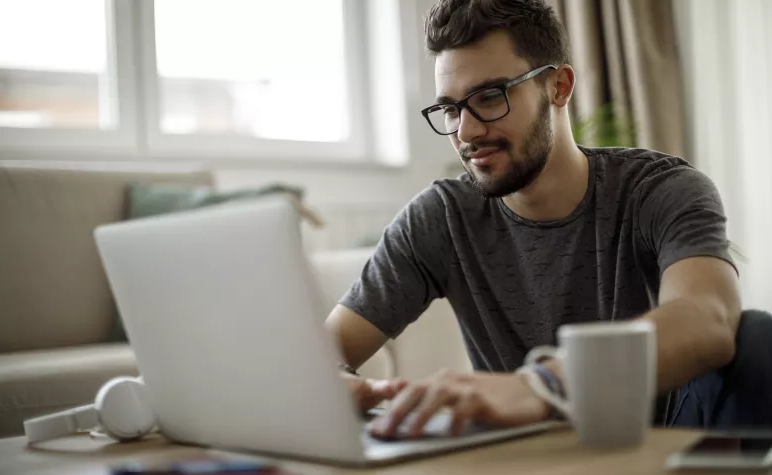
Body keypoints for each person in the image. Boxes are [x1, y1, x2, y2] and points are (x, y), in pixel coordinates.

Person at [324, 0, 772, 439]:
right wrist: (332, 384)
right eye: (451, 108)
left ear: (558, 87)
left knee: (757, 339)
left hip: (654, 439)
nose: (466, 131)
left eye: (490, 96)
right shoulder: (441, 217)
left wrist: (543, 385)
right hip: (527, 455)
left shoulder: (660, 189)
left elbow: (707, 318)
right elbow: (324, 351)